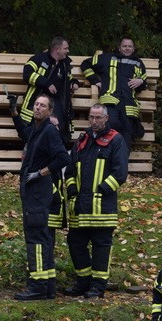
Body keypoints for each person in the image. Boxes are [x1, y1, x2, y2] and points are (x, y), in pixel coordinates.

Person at [64, 103, 129, 299]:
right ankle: (83, 282)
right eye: (91, 117)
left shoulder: (115, 140)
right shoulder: (82, 140)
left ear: (106, 118)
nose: (94, 121)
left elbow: (120, 173)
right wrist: (72, 189)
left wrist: (101, 190)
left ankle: (98, 286)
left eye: (98, 117)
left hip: (102, 209)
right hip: (80, 209)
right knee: (75, 243)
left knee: (101, 247)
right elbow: (70, 171)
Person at [10, 94, 69, 300]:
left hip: (38, 192)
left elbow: (63, 157)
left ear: (50, 111)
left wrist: (41, 172)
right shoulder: (37, 130)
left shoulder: (49, 131)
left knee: (35, 240)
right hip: (34, 192)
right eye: (36, 104)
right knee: (43, 239)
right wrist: (14, 112)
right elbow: (24, 134)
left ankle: (37, 286)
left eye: (42, 106)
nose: (37, 108)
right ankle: (48, 287)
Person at [80, 36, 148, 149]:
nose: (127, 48)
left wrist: (140, 81)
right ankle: (107, 159)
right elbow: (85, 64)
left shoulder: (138, 63)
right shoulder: (106, 58)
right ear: (119, 48)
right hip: (110, 101)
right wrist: (95, 81)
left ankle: (122, 162)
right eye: (124, 46)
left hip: (129, 105)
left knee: (128, 131)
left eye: (129, 46)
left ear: (133, 49)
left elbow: (144, 81)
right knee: (111, 126)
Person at [21, 37, 79, 144]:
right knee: (35, 135)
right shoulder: (39, 58)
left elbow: (68, 79)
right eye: (65, 48)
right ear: (57, 50)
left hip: (57, 105)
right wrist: (46, 83)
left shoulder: (65, 65)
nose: (68, 51)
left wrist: (73, 83)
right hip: (38, 103)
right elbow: (27, 73)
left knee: (60, 132)